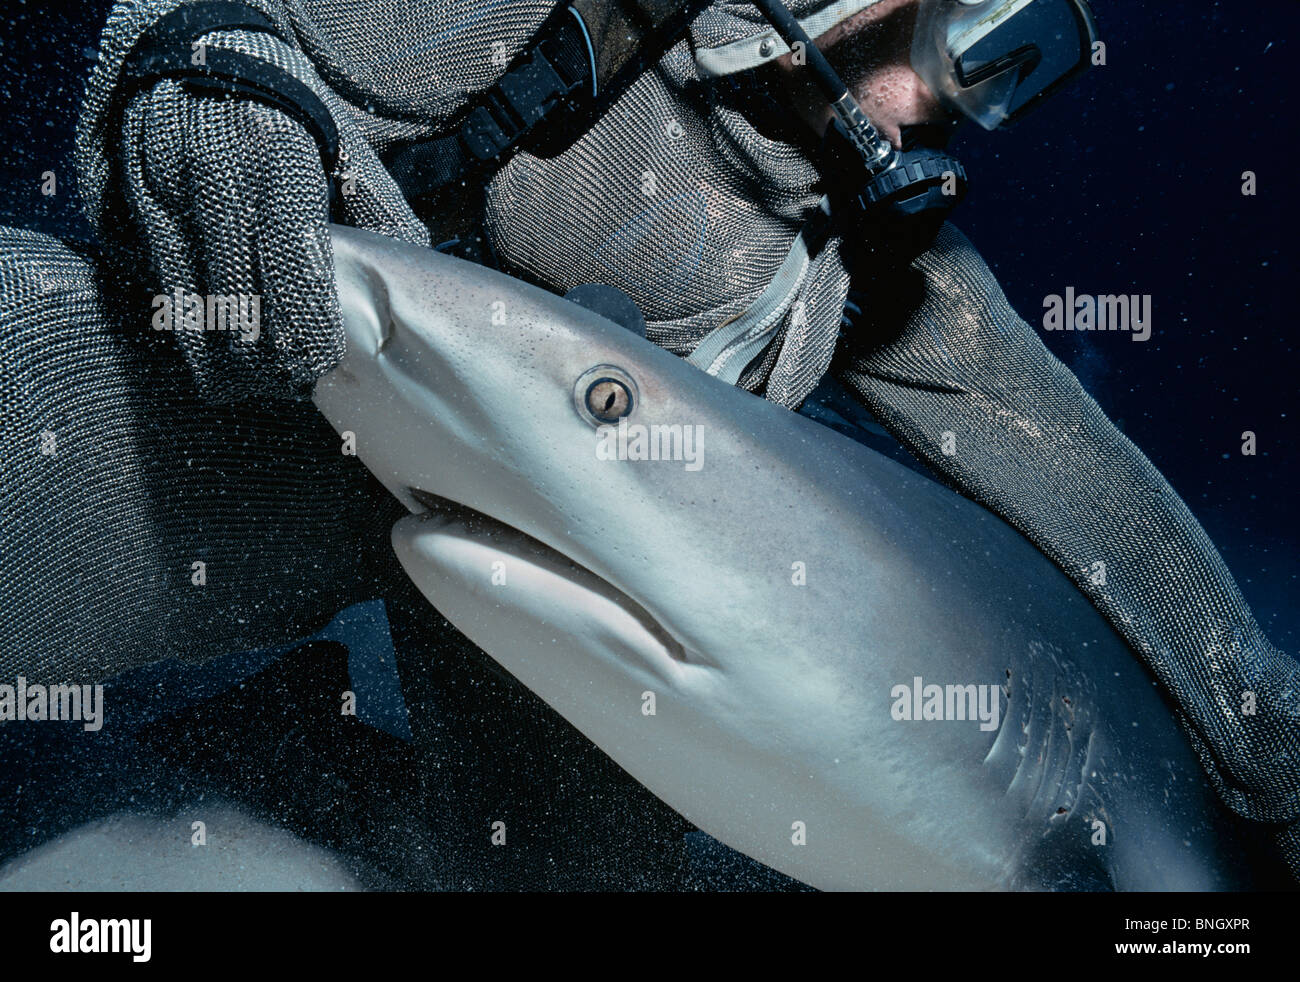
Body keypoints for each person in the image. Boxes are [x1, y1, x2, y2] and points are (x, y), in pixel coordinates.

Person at [3, 0, 1295, 879]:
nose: (952, 99)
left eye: (1020, 62)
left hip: (576, 593)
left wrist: (1259, 722)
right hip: (269, 425)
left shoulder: (859, 251)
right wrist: (205, 59)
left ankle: (298, 764)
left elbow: (1079, 476)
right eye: (963, 31)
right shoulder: (575, 21)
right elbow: (258, 18)